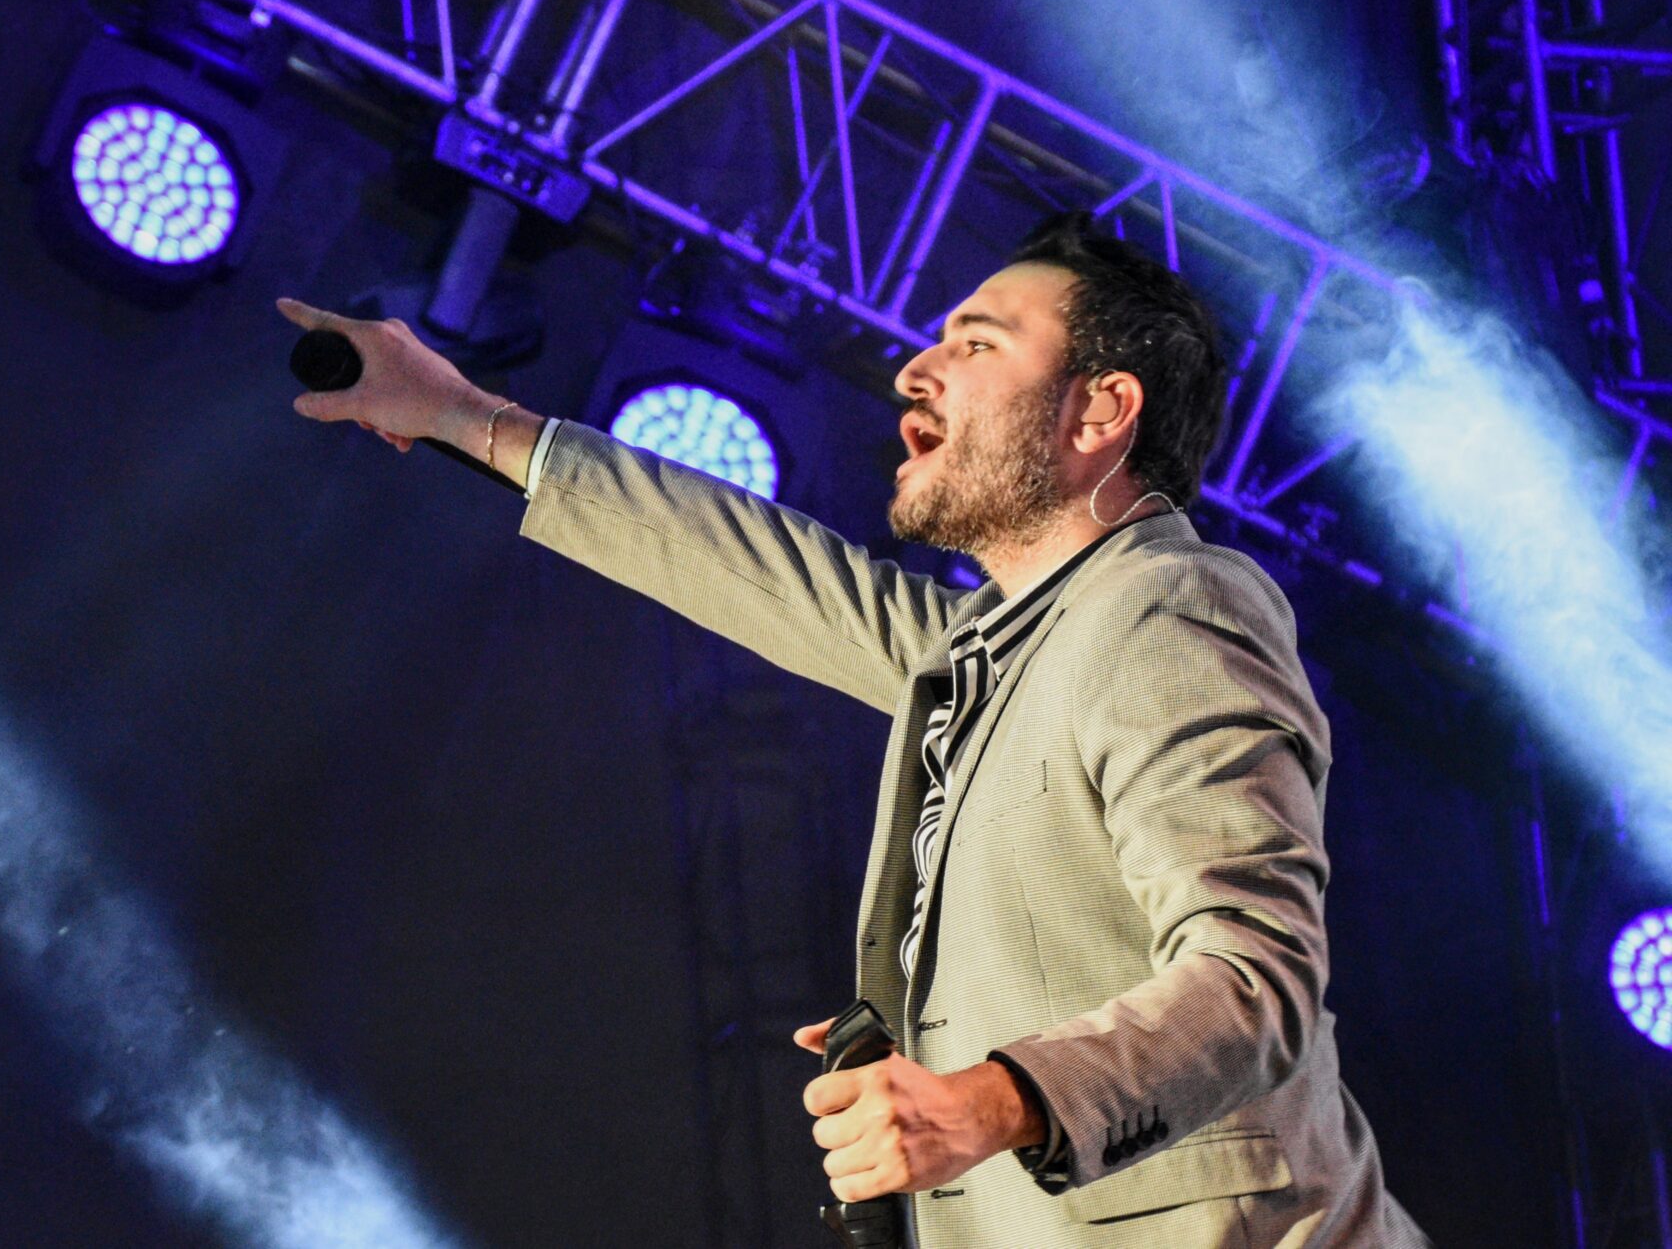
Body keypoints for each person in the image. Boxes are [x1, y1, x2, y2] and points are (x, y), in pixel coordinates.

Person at [283, 211, 1428, 1247]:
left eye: (976, 344)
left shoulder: (1173, 603)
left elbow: (1254, 973)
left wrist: (992, 1098)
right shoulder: (979, 656)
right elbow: (754, 568)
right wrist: (463, 415)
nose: (913, 369)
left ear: (1098, 410)